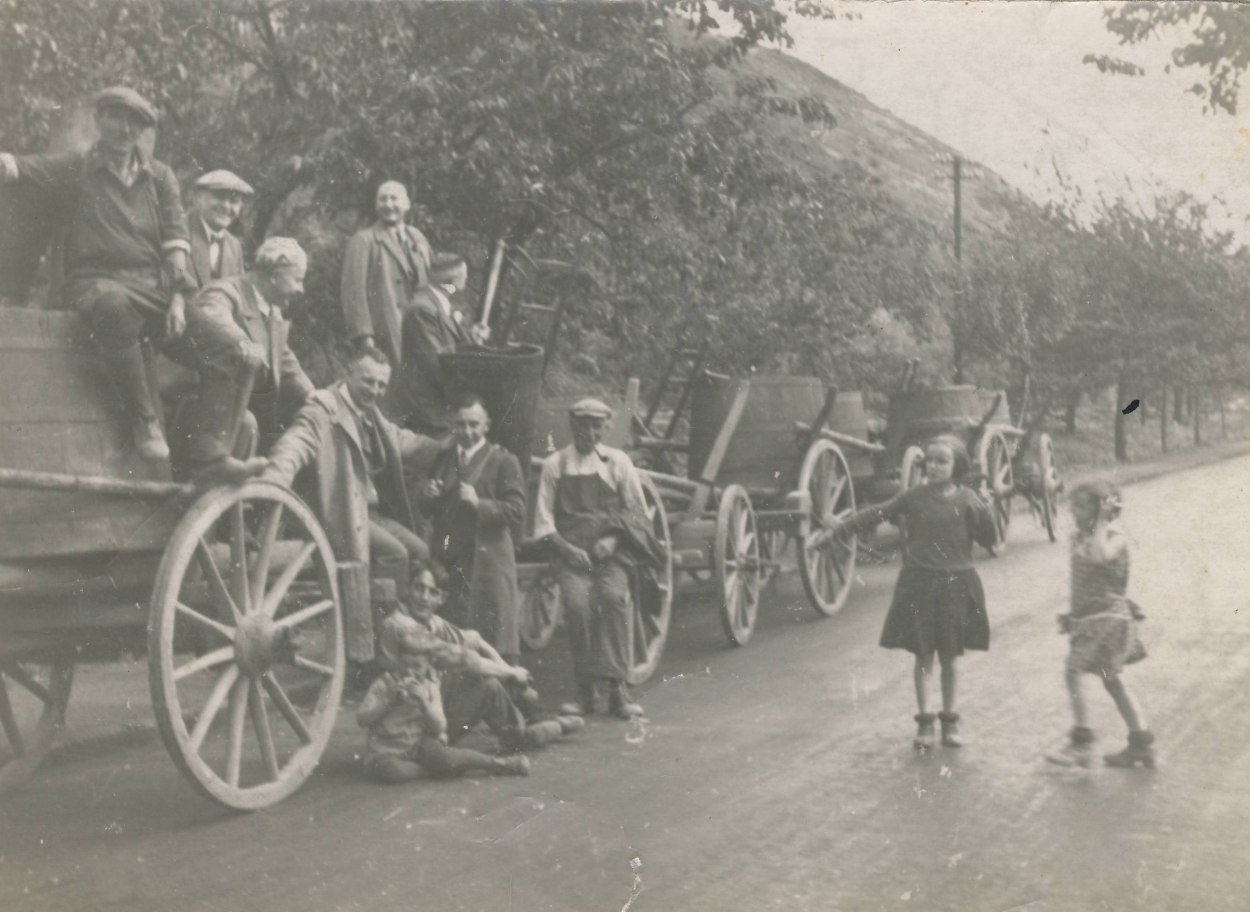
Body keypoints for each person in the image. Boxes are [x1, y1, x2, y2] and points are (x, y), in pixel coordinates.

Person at [0, 86, 194, 461]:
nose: (125, 130)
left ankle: (209, 458)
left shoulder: (159, 177)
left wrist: (180, 299)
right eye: (116, 119)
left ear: (142, 131)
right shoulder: (77, 166)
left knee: (227, 349)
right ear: (100, 120)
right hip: (96, 287)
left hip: (153, 291)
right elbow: (18, 167)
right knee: (115, 308)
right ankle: (145, 420)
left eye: (134, 124)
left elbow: (177, 242)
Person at [813, 434, 997, 750]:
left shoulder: (968, 500)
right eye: (930, 461)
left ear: (957, 466)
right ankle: (924, 724)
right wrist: (836, 532)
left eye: (943, 461)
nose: (934, 466)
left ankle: (950, 722)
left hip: (956, 586)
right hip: (919, 586)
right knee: (923, 657)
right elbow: (874, 514)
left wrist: (987, 510)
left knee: (950, 659)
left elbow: (989, 539)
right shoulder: (913, 497)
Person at [365, 560, 581, 781]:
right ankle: (538, 729)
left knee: (490, 686)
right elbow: (464, 658)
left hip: (428, 710)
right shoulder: (401, 626)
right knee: (483, 677)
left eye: (432, 592)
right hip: (403, 721)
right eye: (418, 588)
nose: (424, 597)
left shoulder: (432, 621)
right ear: (408, 589)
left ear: (441, 599)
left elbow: (474, 640)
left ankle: (534, 725)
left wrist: (508, 669)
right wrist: (510, 673)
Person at [261, 345, 434, 619]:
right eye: (368, 381)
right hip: (339, 515)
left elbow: (401, 439)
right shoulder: (323, 409)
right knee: (396, 554)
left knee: (420, 551)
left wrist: (450, 448)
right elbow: (295, 444)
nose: (375, 391)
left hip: (370, 514)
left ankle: (400, 619)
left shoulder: (370, 412)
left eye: (381, 385)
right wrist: (274, 479)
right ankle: (373, 625)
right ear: (347, 373)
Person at [533, 398, 662, 719]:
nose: (589, 433)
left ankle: (618, 689)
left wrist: (614, 539)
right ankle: (586, 690)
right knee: (577, 606)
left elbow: (637, 512)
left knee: (613, 599)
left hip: (611, 555)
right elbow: (544, 521)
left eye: (595, 426)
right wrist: (566, 550)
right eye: (582, 425)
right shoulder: (556, 465)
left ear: (605, 428)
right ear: (572, 426)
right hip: (570, 555)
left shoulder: (618, 463)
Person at [165, 237, 314, 483]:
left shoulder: (271, 310)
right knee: (247, 423)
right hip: (197, 410)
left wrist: (311, 394)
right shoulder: (225, 292)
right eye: (297, 279)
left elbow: (284, 359)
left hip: (233, 411)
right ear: (274, 274)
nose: (301, 289)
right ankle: (212, 499)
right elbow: (213, 319)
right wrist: (243, 342)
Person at [1047, 481, 1153, 769]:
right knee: (1112, 680)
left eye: (1082, 506)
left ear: (1103, 508)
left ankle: (1082, 741)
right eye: (1073, 505)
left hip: (1108, 620)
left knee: (1073, 672)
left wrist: (1103, 523)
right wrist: (1074, 614)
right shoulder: (1080, 537)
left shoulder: (1114, 537)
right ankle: (1141, 742)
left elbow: (1100, 556)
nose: (1074, 511)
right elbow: (1082, 581)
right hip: (1090, 618)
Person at [417, 394, 527, 659]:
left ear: (486, 425)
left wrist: (481, 504)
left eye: (474, 424)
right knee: (452, 637)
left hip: (487, 564)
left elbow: (518, 510)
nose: (467, 431)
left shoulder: (503, 461)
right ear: (453, 425)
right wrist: (428, 495)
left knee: (492, 639)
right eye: (462, 424)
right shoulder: (444, 458)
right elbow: (430, 511)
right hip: (450, 561)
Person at [357, 625, 531, 783]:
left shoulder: (430, 687)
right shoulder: (385, 683)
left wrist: (424, 703)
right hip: (387, 752)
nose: (409, 672)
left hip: (417, 745)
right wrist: (388, 701)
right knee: (391, 771)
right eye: (405, 665)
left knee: (447, 758)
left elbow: (440, 726)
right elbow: (362, 719)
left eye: (416, 666)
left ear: (428, 666)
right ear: (398, 661)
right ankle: (429, 771)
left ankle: (499, 764)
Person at [384, 251, 487, 435]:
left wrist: (472, 337)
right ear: (455, 280)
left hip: (438, 404)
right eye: (464, 275)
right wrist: (476, 384)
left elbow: (449, 341)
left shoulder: (439, 302)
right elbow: (437, 364)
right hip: (427, 410)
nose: (466, 279)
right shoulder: (423, 309)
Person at [186, 170, 252, 288]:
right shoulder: (179, 231)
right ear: (198, 198)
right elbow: (177, 270)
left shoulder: (234, 246)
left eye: (234, 201)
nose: (226, 206)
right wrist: (181, 279)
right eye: (219, 197)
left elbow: (238, 291)